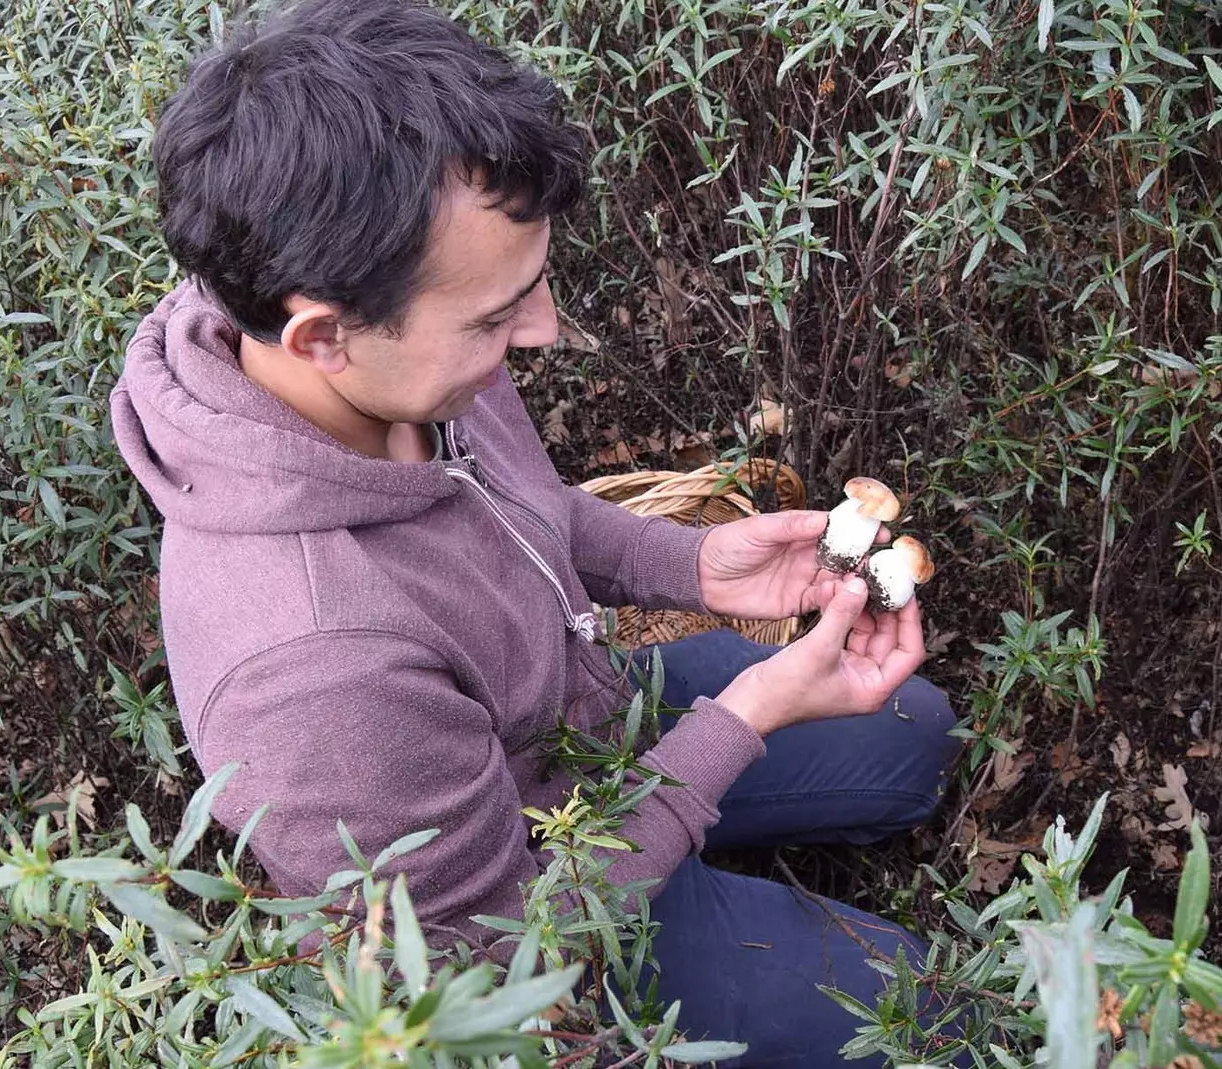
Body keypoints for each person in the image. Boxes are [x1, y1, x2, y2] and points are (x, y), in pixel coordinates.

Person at [108, 0, 962, 1063]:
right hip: (550, 911)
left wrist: (689, 562)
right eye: (493, 317)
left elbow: (515, 509)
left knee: (917, 736)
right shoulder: (315, 673)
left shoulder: (392, 345)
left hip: (580, 721)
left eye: (531, 285)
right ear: (321, 333)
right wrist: (744, 715)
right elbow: (500, 940)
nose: (542, 330)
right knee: (929, 1010)